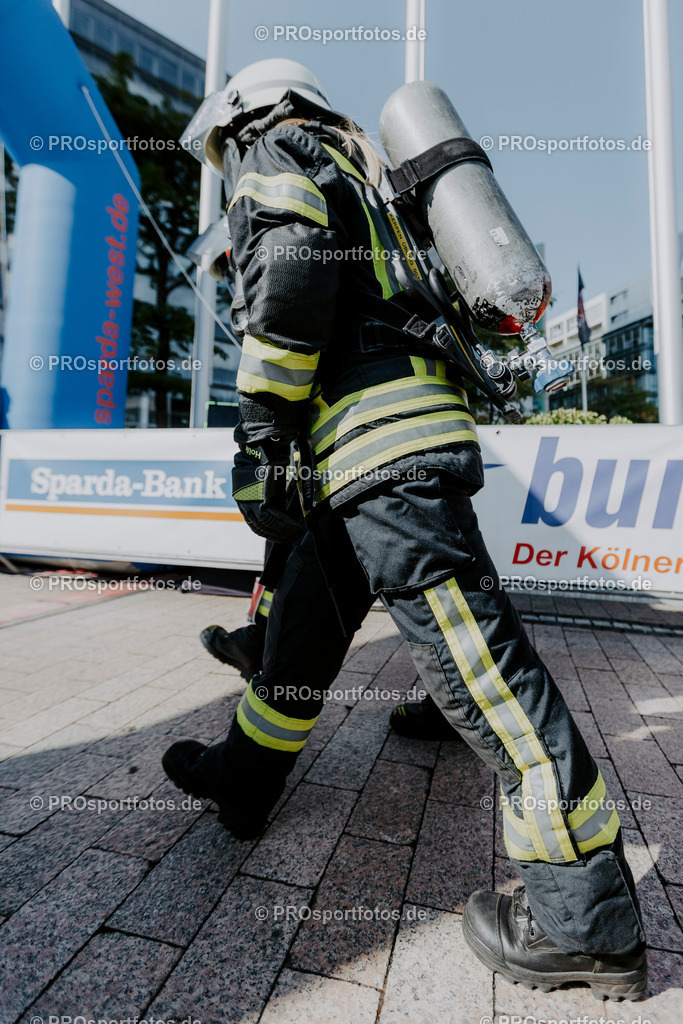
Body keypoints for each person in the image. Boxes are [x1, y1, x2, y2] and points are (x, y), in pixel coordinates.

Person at [163, 59, 646, 998]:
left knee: (486, 680)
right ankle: (246, 778)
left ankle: (585, 920)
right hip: (379, 448)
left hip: (378, 450)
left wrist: (261, 427)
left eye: (221, 146)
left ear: (244, 116)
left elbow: (292, 276)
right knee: (303, 616)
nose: (227, 164)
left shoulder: (276, 147)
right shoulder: (363, 170)